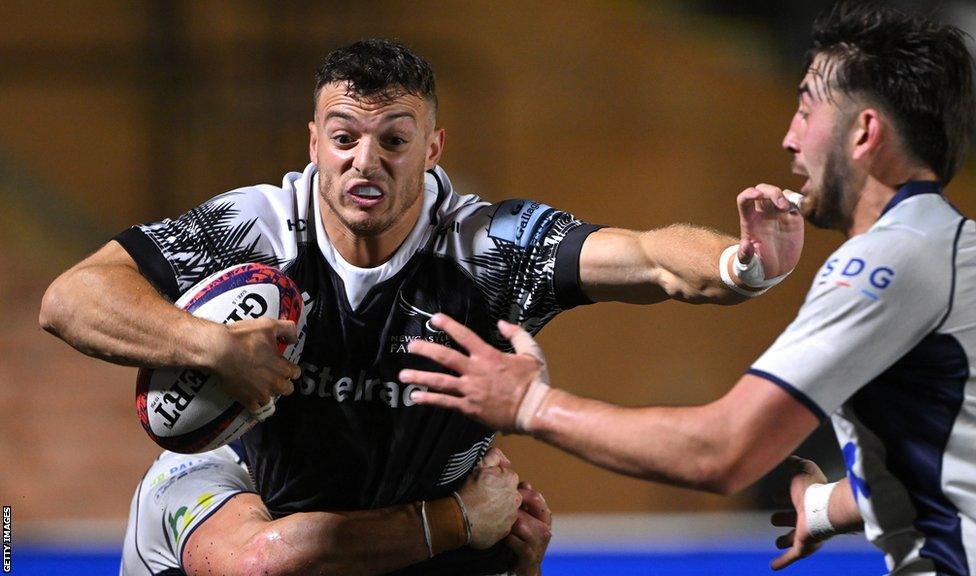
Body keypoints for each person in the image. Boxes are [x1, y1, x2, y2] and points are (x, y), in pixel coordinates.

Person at [38, 40, 801, 575]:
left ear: (433, 148)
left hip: (417, 528)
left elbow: (647, 256)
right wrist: (208, 347)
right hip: (248, 499)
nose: (364, 160)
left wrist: (743, 265)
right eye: (344, 137)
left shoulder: (492, 246)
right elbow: (71, 297)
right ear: (314, 143)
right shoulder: (256, 227)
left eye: (392, 140)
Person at [398, 3, 976, 575]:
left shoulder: (886, 265)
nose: (789, 137)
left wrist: (528, 407)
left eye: (806, 108)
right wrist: (828, 506)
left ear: (862, 134)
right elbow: (973, 464)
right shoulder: (957, 253)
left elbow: (722, 452)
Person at [120, 443, 551, 576]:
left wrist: (521, 567)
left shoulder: (403, 496)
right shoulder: (192, 470)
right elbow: (258, 564)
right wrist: (457, 520)